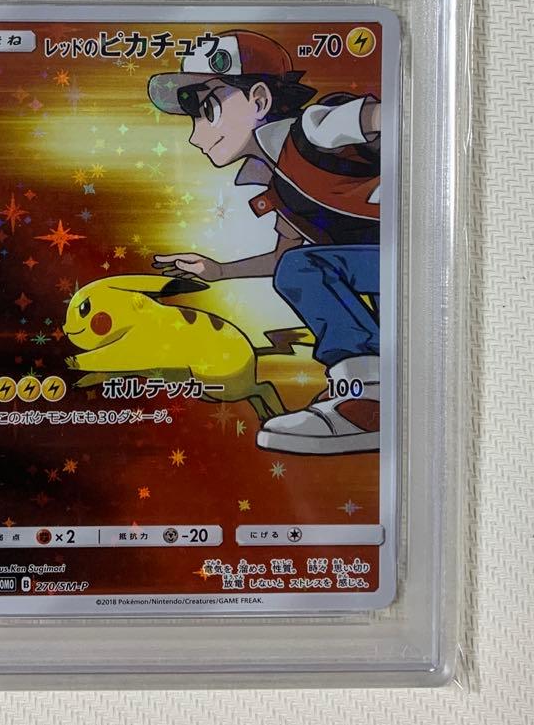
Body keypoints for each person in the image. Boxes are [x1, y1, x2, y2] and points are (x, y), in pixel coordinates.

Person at [147, 29, 382, 454]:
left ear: (258, 100)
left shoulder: (313, 129)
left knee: (305, 269)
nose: (196, 136)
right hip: (388, 269)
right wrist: (219, 271)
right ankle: (368, 396)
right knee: (302, 267)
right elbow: (284, 258)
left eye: (208, 110)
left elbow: (383, 118)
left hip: (410, 255)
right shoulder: (280, 186)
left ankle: (366, 397)